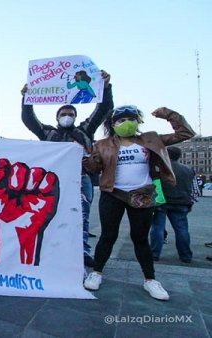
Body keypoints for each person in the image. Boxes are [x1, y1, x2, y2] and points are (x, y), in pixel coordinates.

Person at [83, 105, 195, 300]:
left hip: (142, 195)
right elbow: (92, 169)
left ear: (137, 121)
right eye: (120, 120)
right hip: (113, 194)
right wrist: (88, 156)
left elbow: (185, 133)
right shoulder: (103, 144)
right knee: (108, 236)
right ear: (113, 124)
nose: (125, 123)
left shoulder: (150, 139)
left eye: (130, 119)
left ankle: (150, 280)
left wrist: (170, 115)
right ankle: (97, 272)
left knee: (140, 239)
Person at [21, 70, 113, 268]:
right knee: (49, 215)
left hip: (81, 180)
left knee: (82, 215)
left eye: (71, 114)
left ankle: (83, 250)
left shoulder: (84, 131)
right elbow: (29, 119)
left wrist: (106, 88)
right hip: (52, 182)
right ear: (57, 117)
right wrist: (26, 99)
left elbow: (102, 109)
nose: (67, 117)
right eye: (63, 114)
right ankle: (53, 248)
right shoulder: (48, 132)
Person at [149, 146, 195, 263]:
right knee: (182, 230)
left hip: (162, 202)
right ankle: (185, 256)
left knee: (157, 228)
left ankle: (154, 254)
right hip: (182, 203)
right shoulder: (188, 169)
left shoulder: (160, 169)